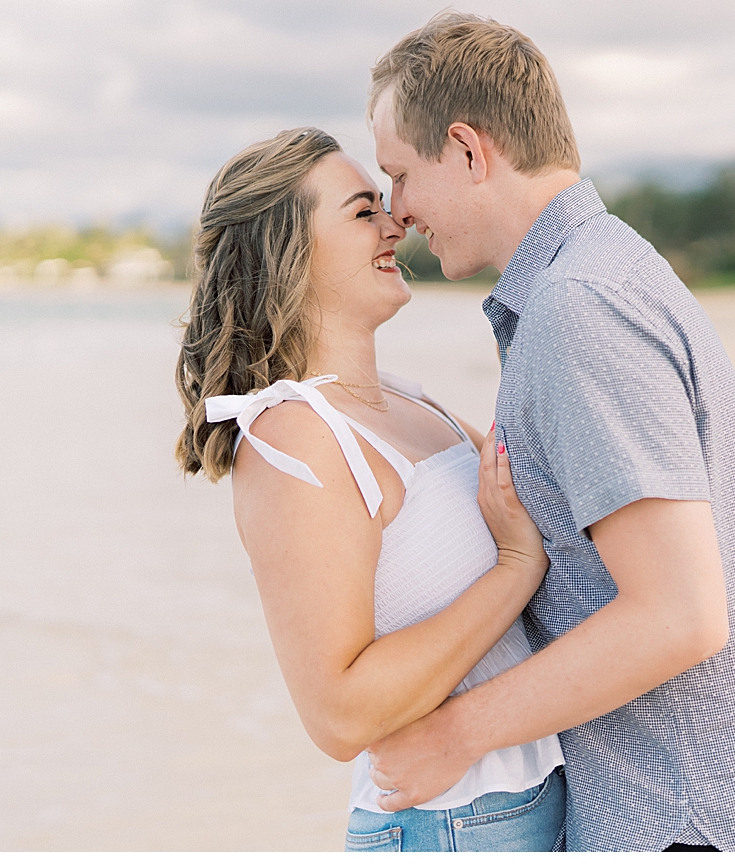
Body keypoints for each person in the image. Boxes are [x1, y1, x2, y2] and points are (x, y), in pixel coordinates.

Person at [361, 12, 735, 852]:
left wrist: (454, 734)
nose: (398, 212)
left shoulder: (577, 309)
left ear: (471, 152)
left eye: (401, 175)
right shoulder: (604, 271)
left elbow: (681, 615)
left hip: (692, 824)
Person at [174, 126, 567, 852]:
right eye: (363, 212)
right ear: (286, 252)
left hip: (529, 800)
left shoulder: (410, 402)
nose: (397, 223)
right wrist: (516, 569)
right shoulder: (294, 437)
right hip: (451, 825)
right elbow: (341, 714)